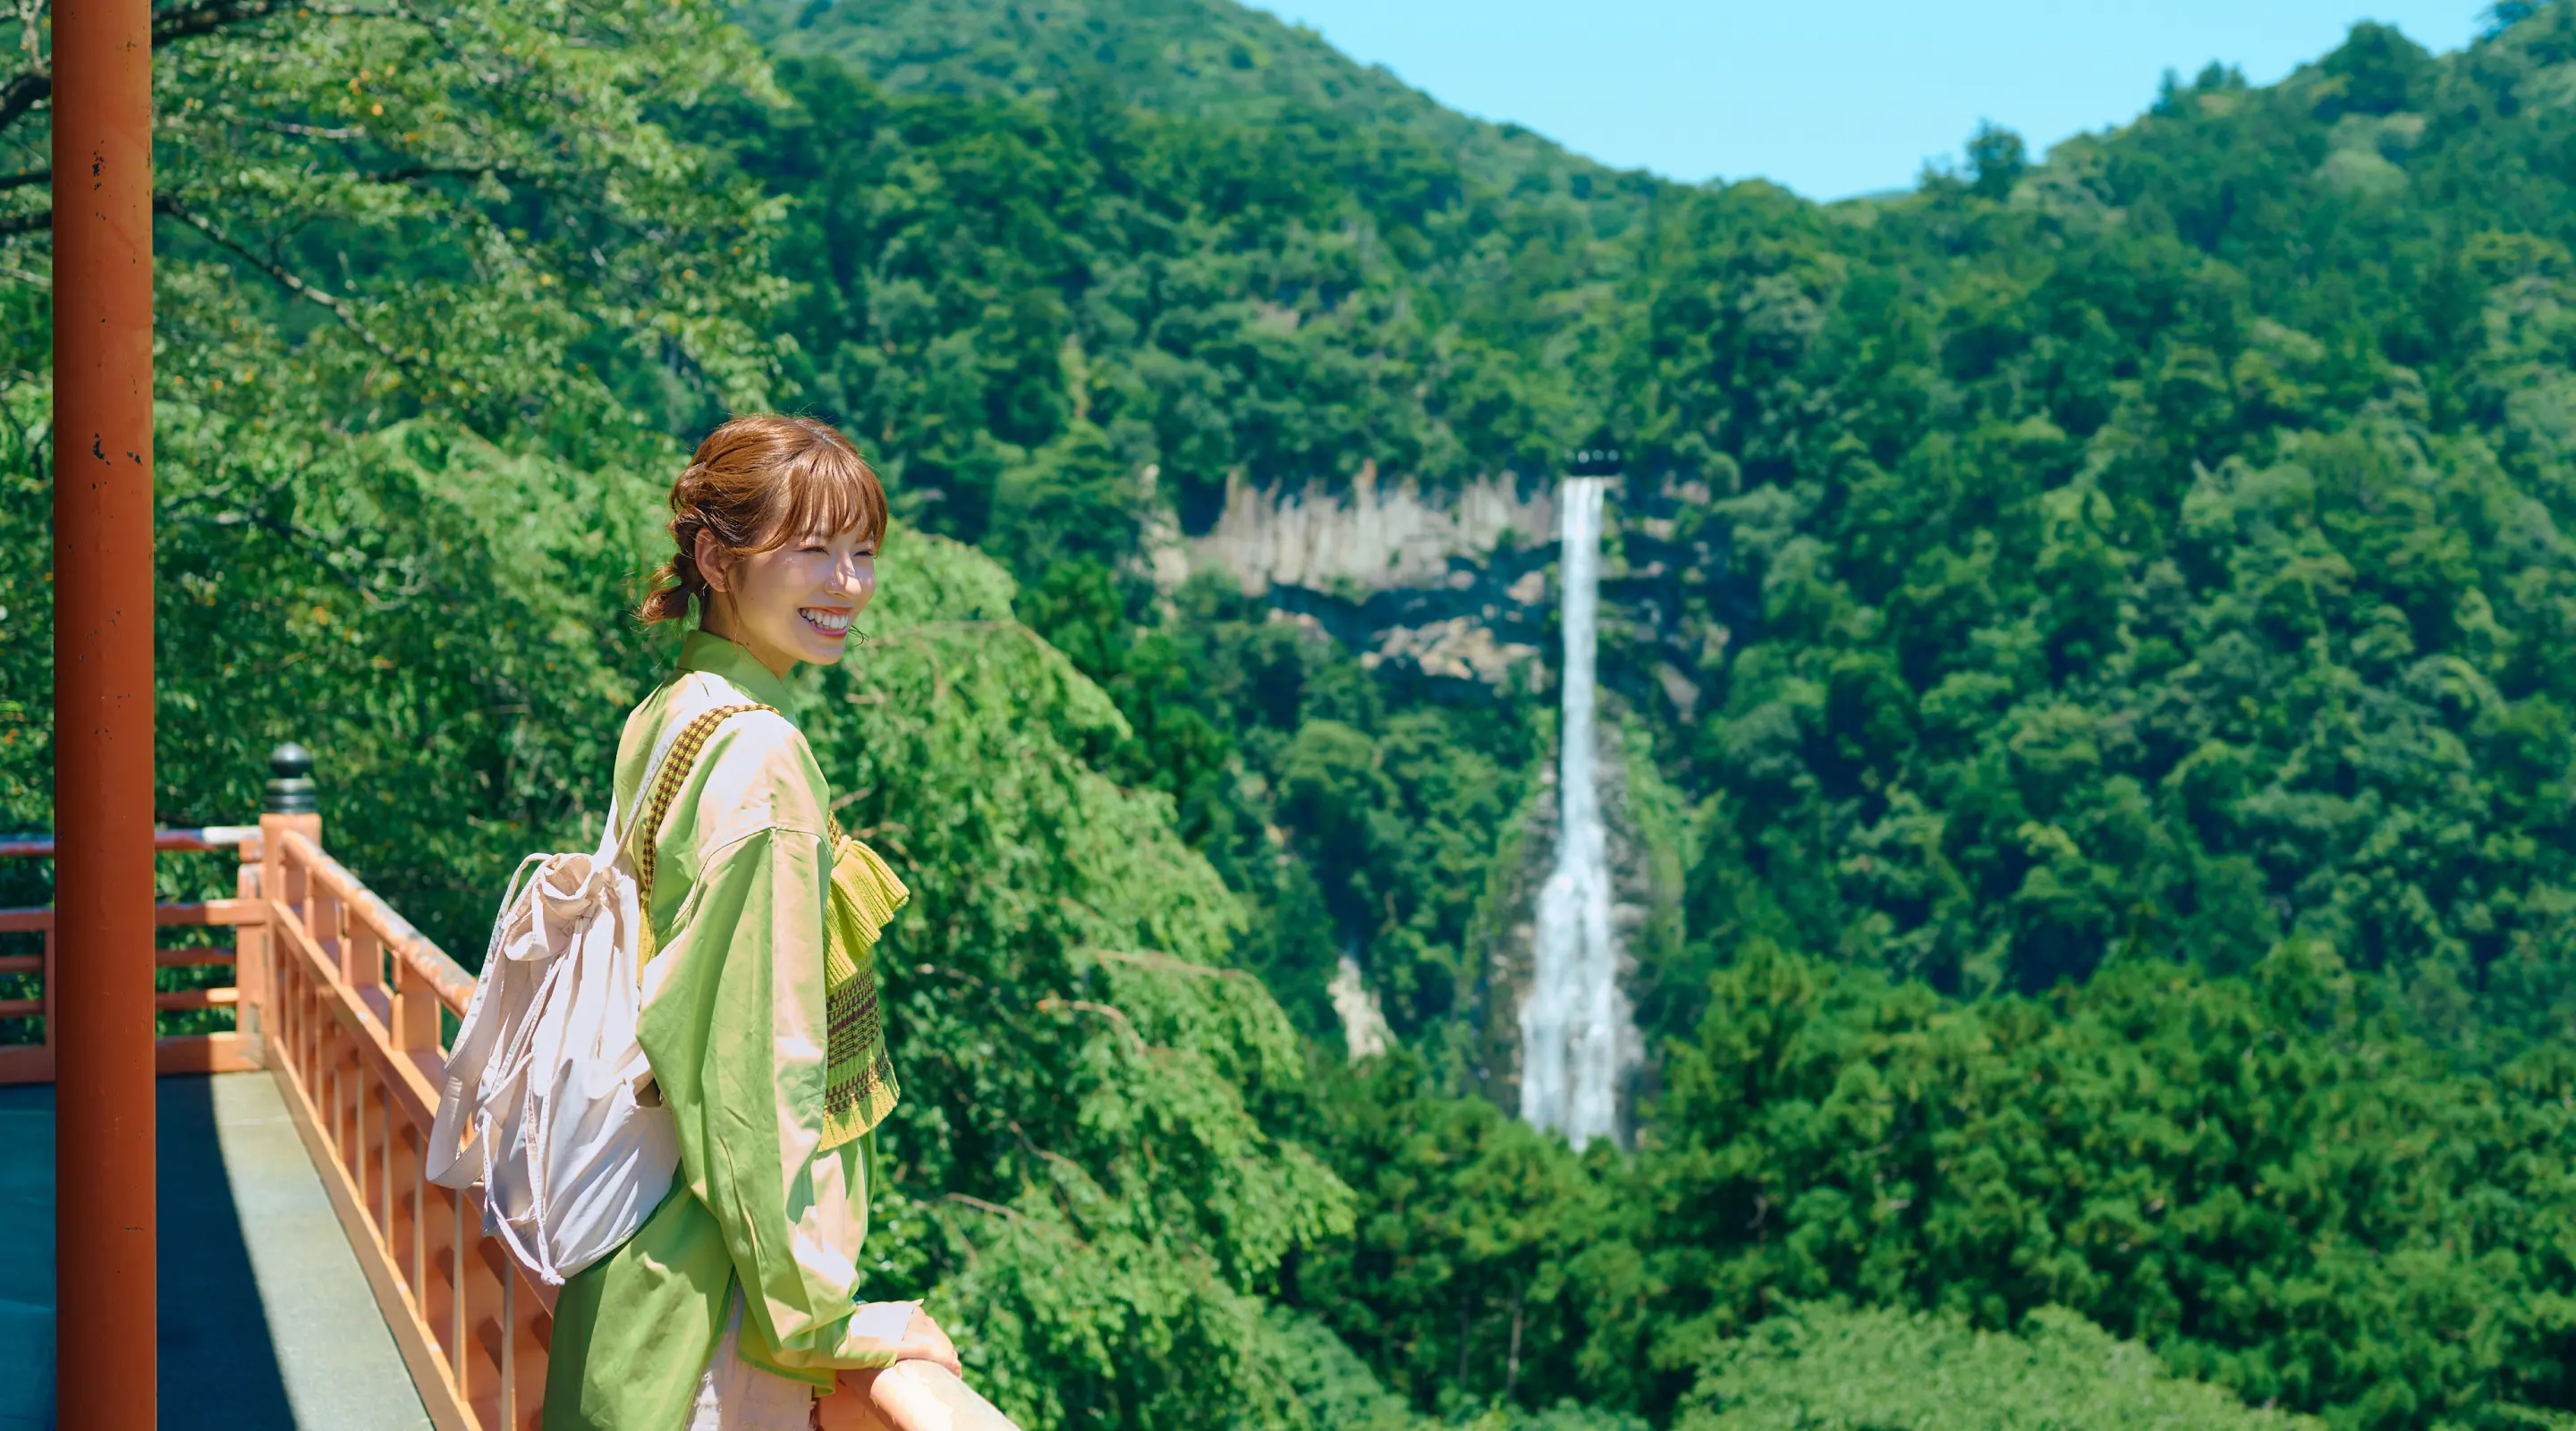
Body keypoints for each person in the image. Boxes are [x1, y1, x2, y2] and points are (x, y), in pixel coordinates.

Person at [542, 414, 959, 1431]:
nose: (847, 584)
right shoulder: (762, 761)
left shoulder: (675, 709)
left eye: (863, 552)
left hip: (632, 1264)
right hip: (714, 1313)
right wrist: (821, 1320)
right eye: (812, 549)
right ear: (717, 558)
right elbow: (746, 1074)